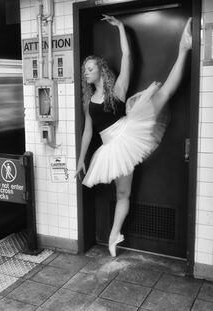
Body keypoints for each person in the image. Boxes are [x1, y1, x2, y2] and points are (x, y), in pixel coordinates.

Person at [75, 15, 192, 257]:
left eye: (89, 69)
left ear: (100, 71)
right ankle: (114, 235)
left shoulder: (117, 89)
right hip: (110, 148)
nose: (85, 73)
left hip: (128, 134)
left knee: (165, 93)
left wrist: (120, 28)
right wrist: (80, 160)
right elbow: (88, 131)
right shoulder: (88, 101)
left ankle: (183, 49)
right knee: (122, 193)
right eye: (84, 69)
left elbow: (127, 57)